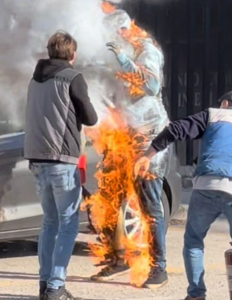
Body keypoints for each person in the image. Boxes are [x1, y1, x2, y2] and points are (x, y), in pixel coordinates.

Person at [134, 90, 232, 300]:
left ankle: (196, 294)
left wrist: (148, 155)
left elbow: (176, 129)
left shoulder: (214, 115)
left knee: (194, 240)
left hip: (207, 184)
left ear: (224, 103)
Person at [90, 8, 170, 289]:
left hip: (149, 138)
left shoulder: (146, 50)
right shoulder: (118, 53)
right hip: (125, 135)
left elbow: (150, 85)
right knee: (108, 198)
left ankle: (159, 268)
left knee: (149, 205)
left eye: (113, 34)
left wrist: (123, 59)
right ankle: (117, 258)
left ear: (123, 31)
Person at [24, 30, 98, 300]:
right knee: (68, 223)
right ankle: (56, 286)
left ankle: (45, 284)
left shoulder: (35, 79)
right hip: (62, 159)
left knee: (49, 222)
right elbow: (90, 117)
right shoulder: (72, 77)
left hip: (37, 158)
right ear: (72, 54)